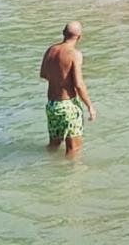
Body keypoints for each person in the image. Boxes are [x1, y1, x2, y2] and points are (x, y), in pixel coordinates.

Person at [40, 21, 96, 156]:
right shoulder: (75, 54)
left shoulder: (51, 50)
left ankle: (51, 172)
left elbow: (43, 74)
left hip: (52, 105)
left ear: (63, 33)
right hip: (68, 106)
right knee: (73, 151)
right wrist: (90, 106)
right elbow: (78, 84)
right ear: (79, 37)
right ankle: (73, 177)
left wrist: (58, 78)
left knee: (53, 146)